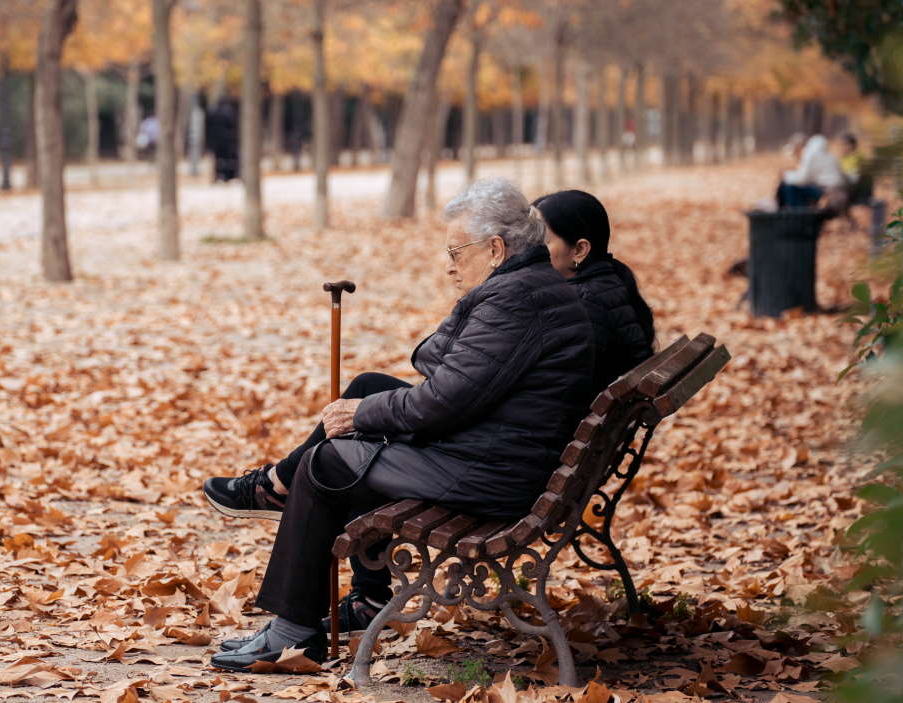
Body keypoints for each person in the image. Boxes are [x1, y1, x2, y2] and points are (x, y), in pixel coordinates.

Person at [204, 178, 595, 671]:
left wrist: (363, 416)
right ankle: (281, 500)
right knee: (368, 389)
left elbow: (444, 400)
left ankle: (292, 631)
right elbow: (436, 359)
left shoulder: (514, 300)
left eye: (457, 250)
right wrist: (378, 403)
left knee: (328, 462)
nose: (450, 264)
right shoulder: (525, 287)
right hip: (500, 451)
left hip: (492, 472)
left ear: (495, 248)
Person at [532, 190, 655, 393]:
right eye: (528, 239)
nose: (528, 250)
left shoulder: (581, 305)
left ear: (579, 250)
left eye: (541, 242)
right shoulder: (609, 283)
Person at [775, 133, 846, 209]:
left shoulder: (809, 154)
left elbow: (802, 179)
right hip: (834, 189)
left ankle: (795, 213)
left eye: (795, 150)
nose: (795, 155)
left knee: (789, 187)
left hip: (827, 191)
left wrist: (785, 176)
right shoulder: (823, 153)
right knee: (791, 186)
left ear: (800, 147)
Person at [206, 98, 239, 182]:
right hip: (227, 141)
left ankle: (220, 175)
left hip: (217, 142)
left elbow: (208, 128)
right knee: (228, 159)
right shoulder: (230, 113)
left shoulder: (213, 113)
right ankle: (228, 175)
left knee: (219, 159)